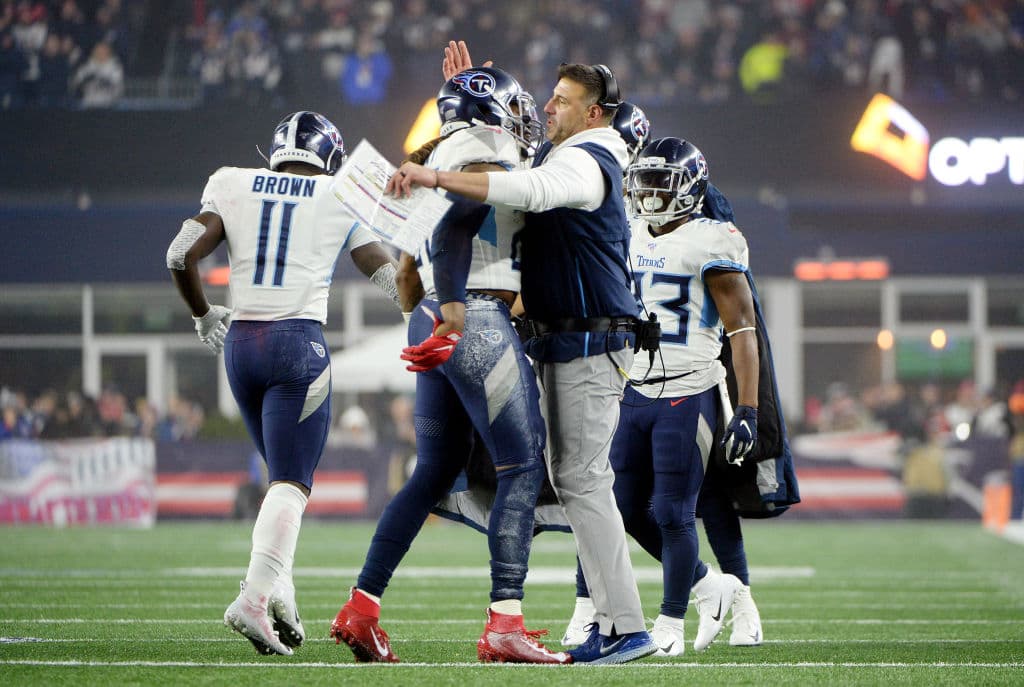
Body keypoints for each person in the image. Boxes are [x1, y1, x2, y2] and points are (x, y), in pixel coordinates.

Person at [391, 44, 656, 665]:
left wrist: (434, 174)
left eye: (562, 100)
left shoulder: (591, 159)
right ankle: (612, 622)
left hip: (590, 340)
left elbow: (529, 187)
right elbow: (510, 161)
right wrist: (468, 102)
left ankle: (629, 625)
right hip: (566, 339)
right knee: (574, 480)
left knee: (584, 481)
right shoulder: (565, 151)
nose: (548, 106)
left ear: (595, 115)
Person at [330, 67, 569, 665]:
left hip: (428, 316)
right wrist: (464, 310)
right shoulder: (491, 158)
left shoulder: (437, 156)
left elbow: (408, 279)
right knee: (521, 465)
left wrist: (436, 313)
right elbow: (463, 223)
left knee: (434, 469)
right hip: (475, 316)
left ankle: (361, 608)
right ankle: (505, 622)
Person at [166, 110, 401, 656]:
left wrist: (202, 313)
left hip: (242, 347)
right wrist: (432, 315)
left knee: (279, 481)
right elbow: (385, 273)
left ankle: (280, 592)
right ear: (331, 156)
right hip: (298, 345)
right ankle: (252, 597)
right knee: (293, 482)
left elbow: (179, 252)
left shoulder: (229, 180)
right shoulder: (343, 190)